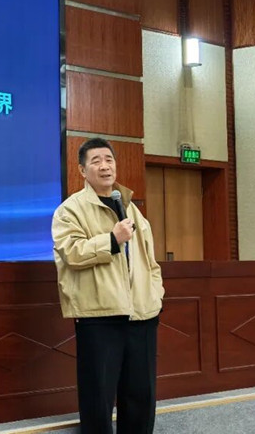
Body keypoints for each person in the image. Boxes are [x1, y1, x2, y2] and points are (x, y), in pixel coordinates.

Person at [52, 137, 164, 434]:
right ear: (82, 170)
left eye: (109, 159)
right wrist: (112, 240)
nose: (104, 166)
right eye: (96, 161)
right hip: (99, 317)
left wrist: (155, 296)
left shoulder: (131, 208)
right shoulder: (70, 210)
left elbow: (150, 262)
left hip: (142, 315)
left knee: (141, 397)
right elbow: (72, 253)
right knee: (98, 399)